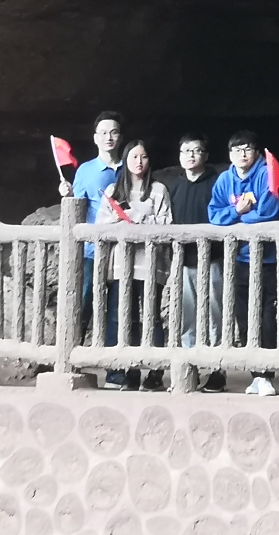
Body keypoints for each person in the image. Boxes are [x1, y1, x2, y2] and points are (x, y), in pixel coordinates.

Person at [207, 130, 279, 395]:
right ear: (230, 154)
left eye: (247, 148)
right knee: (243, 314)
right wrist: (237, 211)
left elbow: (269, 212)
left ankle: (267, 374)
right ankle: (255, 374)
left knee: (266, 315)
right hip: (238, 258)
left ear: (256, 152)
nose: (242, 154)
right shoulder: (224, 179)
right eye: (237, 150)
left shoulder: (265, 173)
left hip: (267, 258)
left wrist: (236, 219)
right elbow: (214, 215)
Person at [101, 139, 173, 389]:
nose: (139, 162)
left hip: (151, 264)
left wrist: (140, 218)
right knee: (120, 317)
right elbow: (100, 225)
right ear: (125, 160)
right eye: (133, 157)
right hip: (122, 264)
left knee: (151, 316)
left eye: (143, 157)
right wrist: (118, 220)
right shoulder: (113, 191)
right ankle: (122, 372)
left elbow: (167, 224)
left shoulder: (158, 190)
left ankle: (155, 373)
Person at [163, 134, 225, 391]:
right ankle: (189, 369)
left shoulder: (216, 182)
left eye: (196, 150)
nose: (190, 155)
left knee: (215, 314)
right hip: (183, 261)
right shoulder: (174, 186)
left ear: (205, 155)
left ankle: (217, 369)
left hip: (213, 258)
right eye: (185, 151)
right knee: (186, 315)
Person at [60, 111, 122, 338]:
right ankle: (72, 348)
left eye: (113, 132)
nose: (108, 137)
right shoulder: (85, 171)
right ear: (95, 138)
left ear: (121, 137)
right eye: (103, 133)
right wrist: (67, 195)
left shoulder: (130, 167)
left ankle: (114, 356)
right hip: (91, 249)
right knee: (84, 300)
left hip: (122, 249)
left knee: (118, 307)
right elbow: (77, 207)